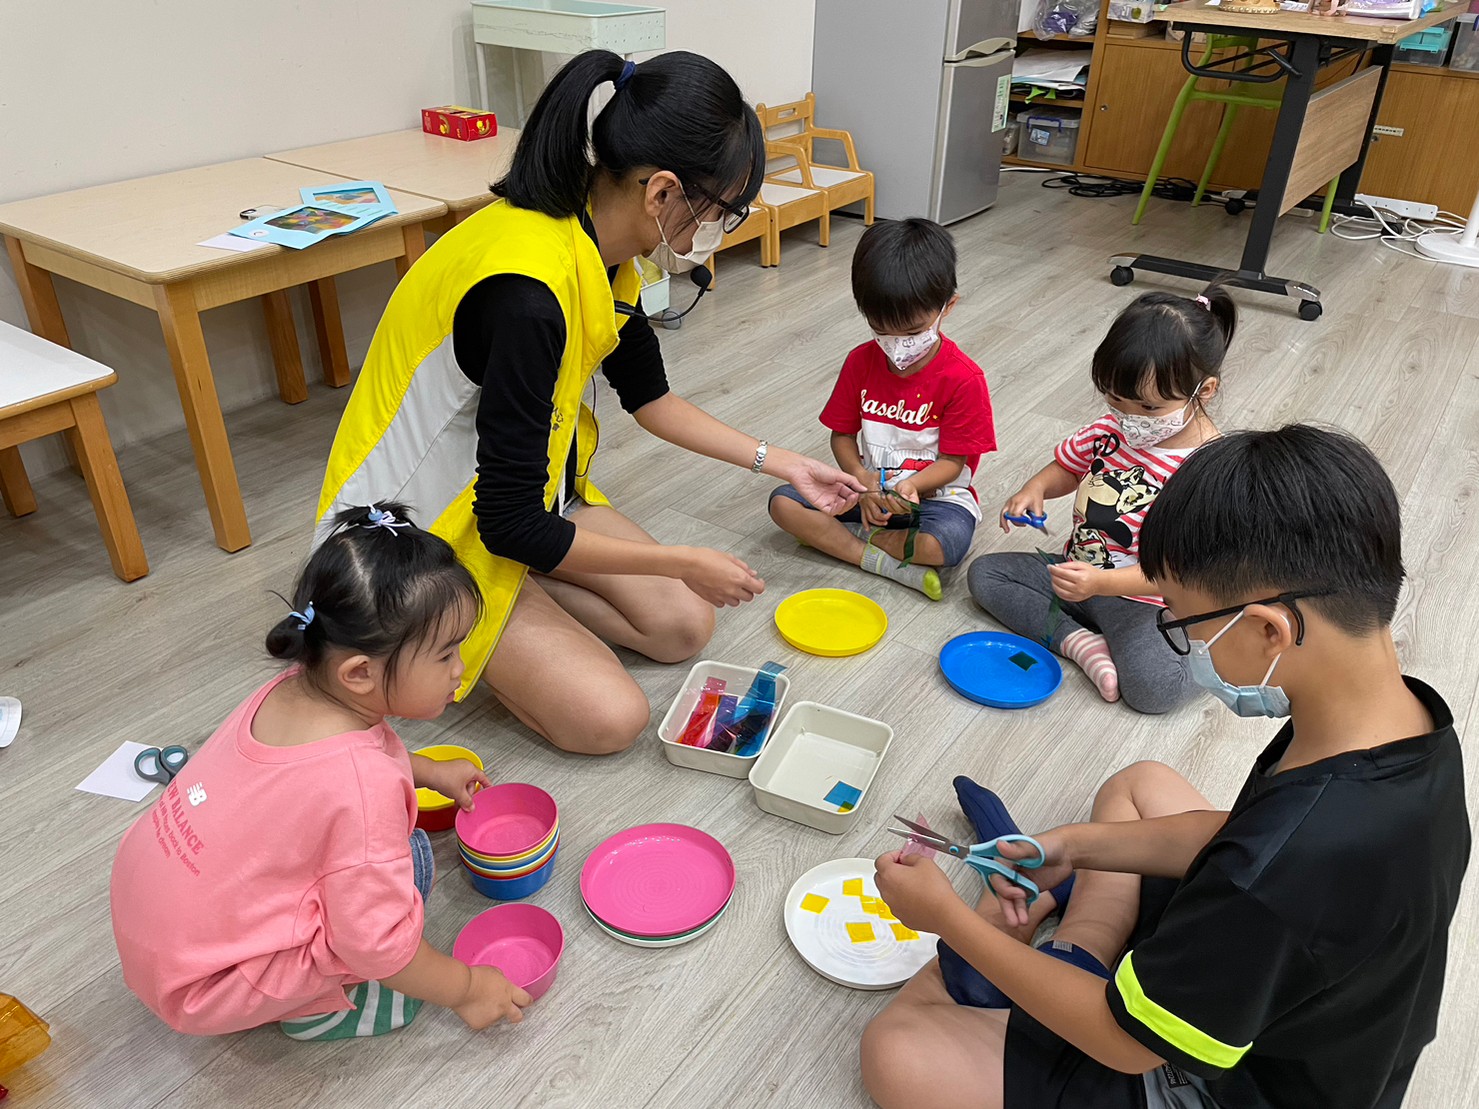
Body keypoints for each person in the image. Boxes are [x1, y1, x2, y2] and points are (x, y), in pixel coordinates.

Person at [862, 427, 1470, 1109]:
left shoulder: (1275, 873)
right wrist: (1071, 844)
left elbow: (1127, 1042)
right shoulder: (1397, 718)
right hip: (1291, 991)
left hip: (1228, 1082)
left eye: (1183, 621)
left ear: (1269, 630)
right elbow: (1244, 831)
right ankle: (1084, 953)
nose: (1184, 642)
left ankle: (1064, 965)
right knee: (1138, 784)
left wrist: (949, 920)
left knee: (898, 1046)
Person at [316, 50, 863, 757]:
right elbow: (508, 524)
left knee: (683, 627)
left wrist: (783, 462)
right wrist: (680, 558)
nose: (718, 230)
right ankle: (459, 627)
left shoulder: (602, 245)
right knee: (609, 719)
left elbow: (652, 399)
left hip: (513, 502)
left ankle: (511, 605)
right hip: (413, 541)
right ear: (662, 192)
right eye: (721, 209)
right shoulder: (526, 297)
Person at [111, 505, 531, 1040]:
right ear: (359, 673)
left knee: (396, 862)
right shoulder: (362, 787)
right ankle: (319, 1010)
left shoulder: (286, 690)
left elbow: (324, 778)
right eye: (447, 653)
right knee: (410, 877)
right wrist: (468, 987)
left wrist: (422, 770)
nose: (460, 668)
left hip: (160, 930)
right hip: (208, 988)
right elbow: (376, 943)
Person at [967, 287, 1236, 713]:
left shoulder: (1209, 472)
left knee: (1153, 691)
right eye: (1114, 398)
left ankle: (1220, 640)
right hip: (1078, 574)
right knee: (986, 575)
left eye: (1148, 407)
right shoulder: (1112, 428)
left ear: (1204, 391)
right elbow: (1069, 469)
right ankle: (1082, 644)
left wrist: (1102, 584)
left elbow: (1178, 576)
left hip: (1146, 601)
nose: (1129, 417)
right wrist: (1034, 489)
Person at [768, 218, 995, 600]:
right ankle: (882, 560)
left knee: (947, 545)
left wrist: (912, 487)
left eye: (912, 332)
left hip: (935, 497)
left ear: (947, 307)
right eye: (881, 330)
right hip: (866, 489)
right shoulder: (860, 362)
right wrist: (861, 478)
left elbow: (953, 464)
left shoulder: (964, 379)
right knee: (783, 504)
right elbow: (842, 435)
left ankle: (846, 541)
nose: (897, 345)